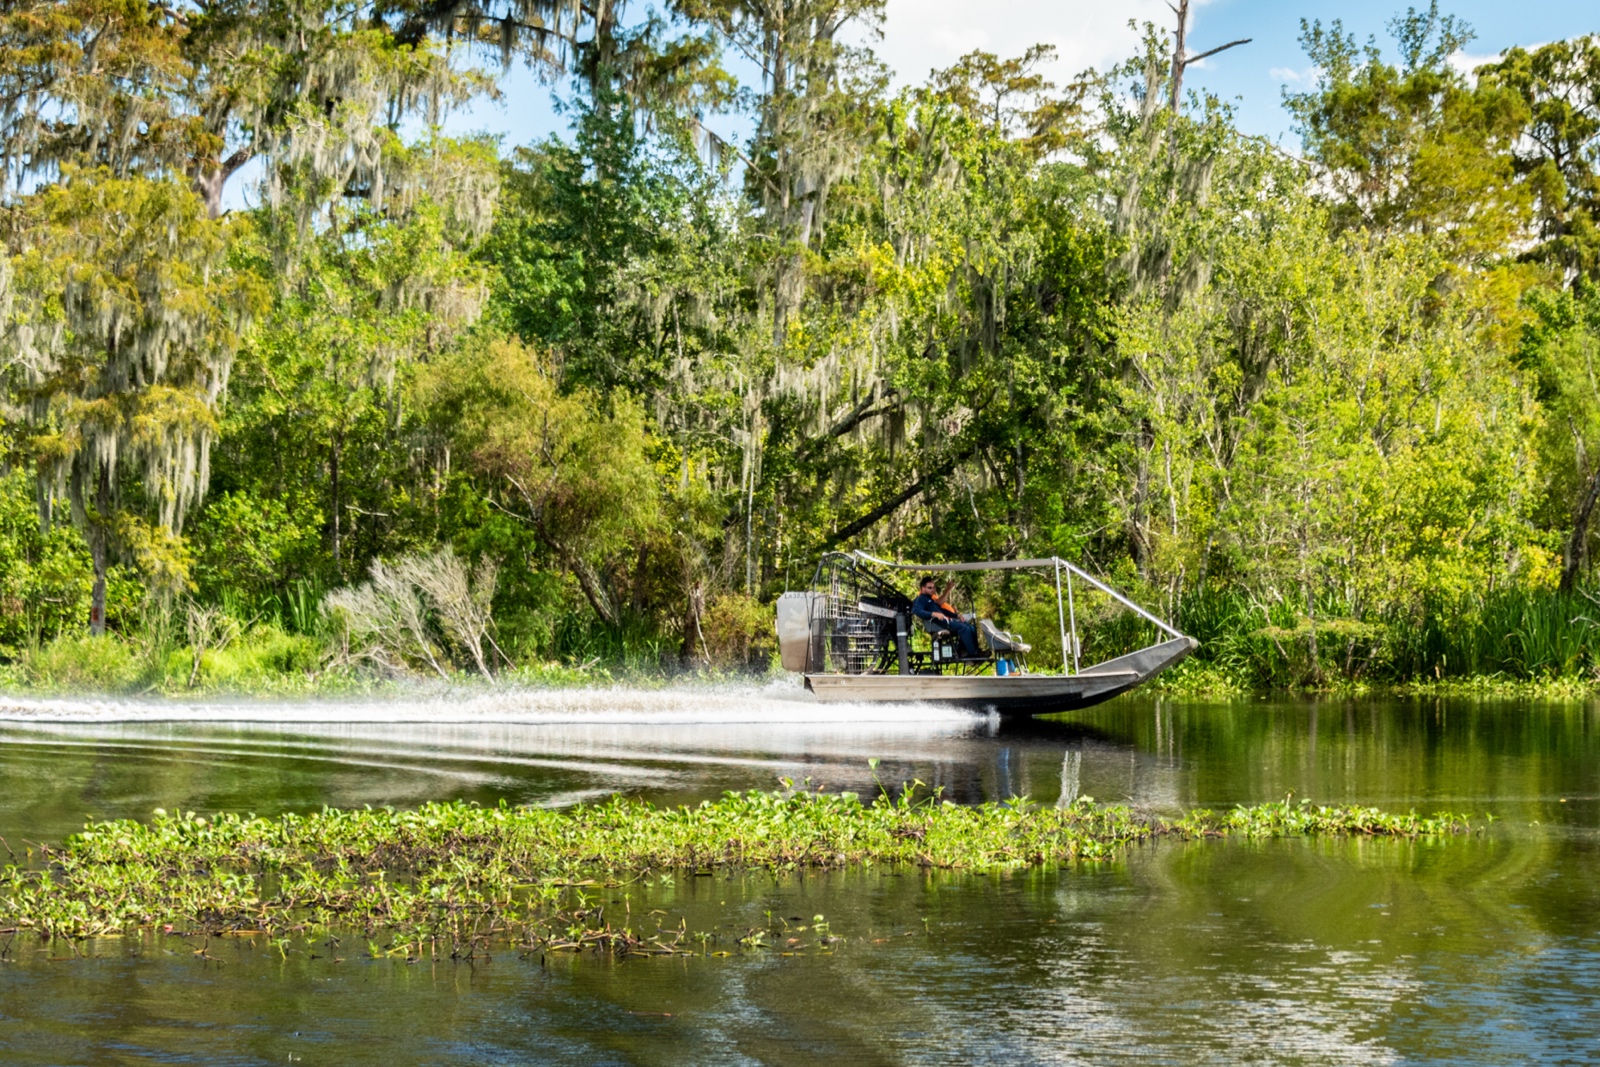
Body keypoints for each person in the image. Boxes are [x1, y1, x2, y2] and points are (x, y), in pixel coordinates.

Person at [911, 574, 981, 657]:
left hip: (945, 622)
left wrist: (956, 615)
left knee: (970, 627)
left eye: (933, 587)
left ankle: (967, 651)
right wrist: (933, 614)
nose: (932, 589)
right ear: (923, 588)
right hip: (938, 625)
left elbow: (943, 611)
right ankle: (973, 654)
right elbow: (916, 611)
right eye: (929, 588)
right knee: (964, 628)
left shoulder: (930, 599)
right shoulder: (920, 599)